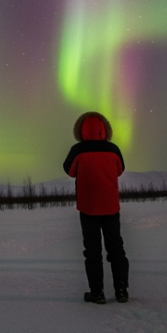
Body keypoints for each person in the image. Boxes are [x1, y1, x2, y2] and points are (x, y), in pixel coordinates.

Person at [63, 111, 129, 304]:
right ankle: (122, 290)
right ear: (104, 129)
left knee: (92, 251)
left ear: (81, 129)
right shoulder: (113, 149)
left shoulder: (78, 150)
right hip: (111, 207)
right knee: (116, 249)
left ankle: (97, 292)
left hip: (88, 207)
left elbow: (69, 171)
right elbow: (119, 170)